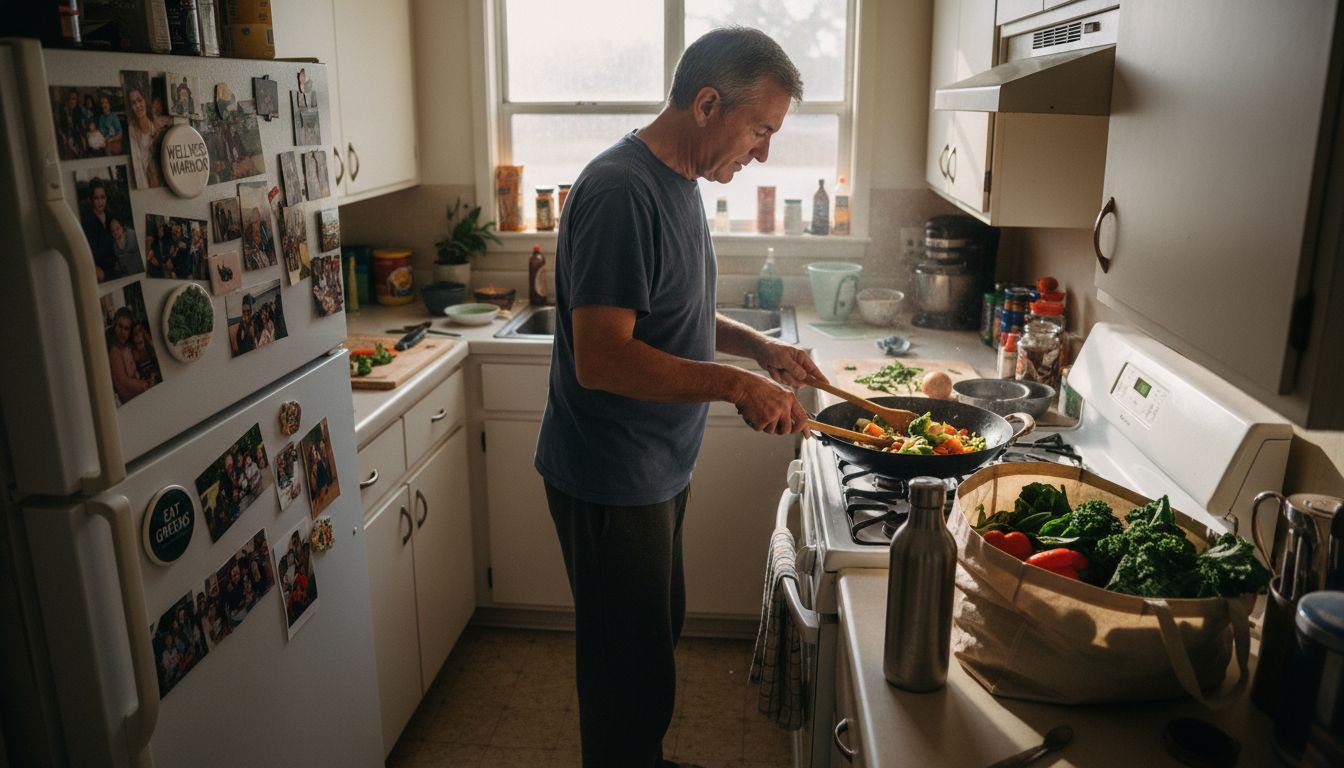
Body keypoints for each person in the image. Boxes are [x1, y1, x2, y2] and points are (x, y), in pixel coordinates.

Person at [533, 27, 821, 768]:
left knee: (654, 638)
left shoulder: (682, 183)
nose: (763, 152)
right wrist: (734, 384)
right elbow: (601, 358)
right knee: (627, 670)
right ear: (705, 104)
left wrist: (759, 350)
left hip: (656, 467)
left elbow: (674, 310)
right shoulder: (622, 191)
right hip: (610, 475)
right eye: (760, 130)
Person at [107, 307, 149, 404]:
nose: (122, 332)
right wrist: (143, 385)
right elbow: (123, 382)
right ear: (114, 326)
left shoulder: (128, 346)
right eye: (119, 326)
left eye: (126, 329)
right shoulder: (114, 351)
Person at [124, 85, 163, 188]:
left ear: (145, 101)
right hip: (143, 183)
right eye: (133, 103)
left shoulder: (156, 126)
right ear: (131, 107)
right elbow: (137, 166)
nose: (137, 105)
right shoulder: (132, 130)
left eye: (139, 100)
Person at [80, 177, 118, 281]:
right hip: (98, 271)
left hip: (115, 268)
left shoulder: (111, 217)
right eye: (96, 198)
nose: (100, 202)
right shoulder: (87, 221)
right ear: (91, 199)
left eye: (103, 197)